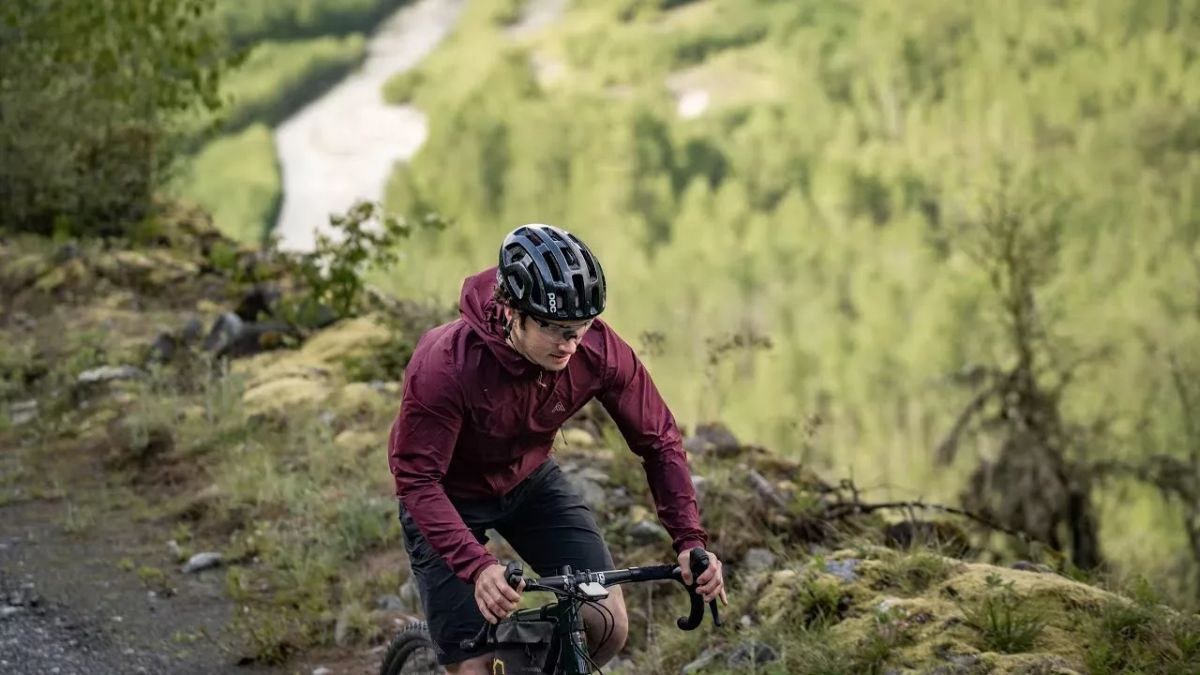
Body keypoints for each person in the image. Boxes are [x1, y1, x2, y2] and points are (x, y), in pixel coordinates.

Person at [388, 224, 726, 673]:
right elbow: (417, 480)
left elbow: (660, 440)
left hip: (528, 480)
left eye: (581, 327)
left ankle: (521, 660)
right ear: (512, 311)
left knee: (606, 624)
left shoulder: (597, 349)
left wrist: (688, 540)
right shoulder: (446, 365)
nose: (572, 343)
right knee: (475, 667)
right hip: (448, 495)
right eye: (556, 329)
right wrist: (478, 567)